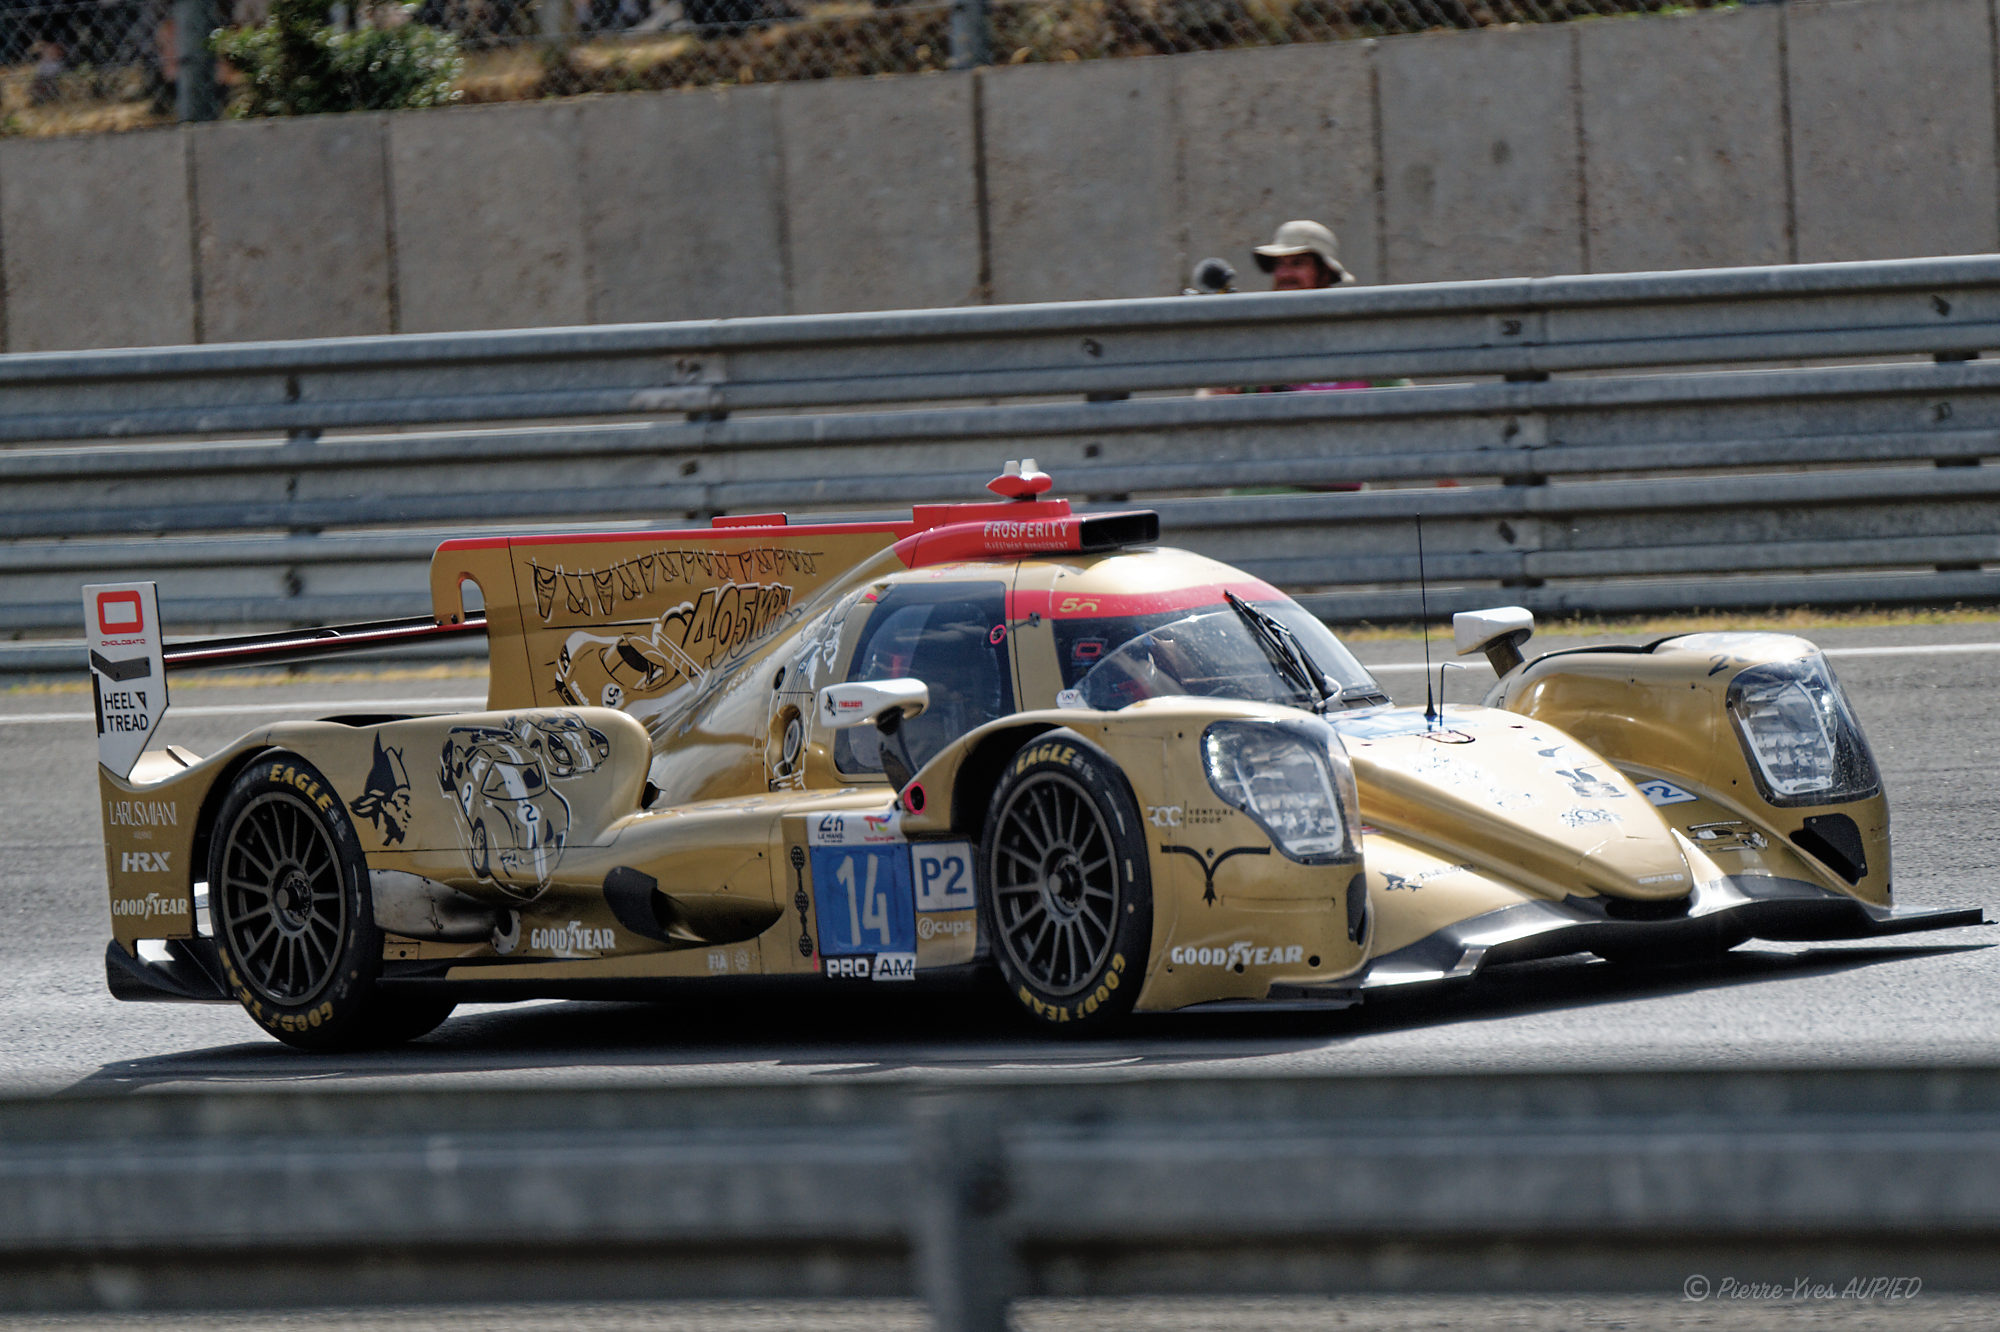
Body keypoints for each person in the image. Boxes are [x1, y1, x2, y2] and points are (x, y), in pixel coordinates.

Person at [1252, 219, 1357, 292]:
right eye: (1279, 263)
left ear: (1325, 273)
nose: (1284, 274)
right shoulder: (1259, 321)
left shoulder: (1344, 321)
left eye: (1297, 263)